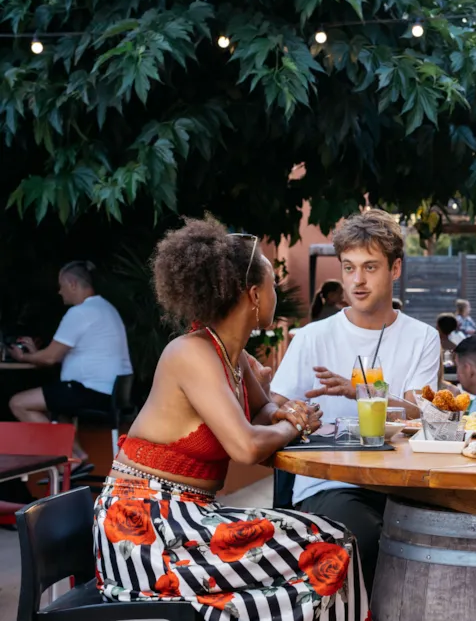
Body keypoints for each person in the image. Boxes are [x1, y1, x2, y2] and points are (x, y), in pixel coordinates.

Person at [94, 217, 367, 620]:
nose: (277, 293)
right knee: (330, 544)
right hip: (146, 529)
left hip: (187, 518)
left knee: (329, 543)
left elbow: (262, 410)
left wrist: (284, 412)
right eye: (274, 284)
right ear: (255, 295)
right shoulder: (191, 353)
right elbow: (246, 446)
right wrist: (295, 423)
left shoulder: (229, 356)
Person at [270, 209, 439, 595]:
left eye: (370, 267)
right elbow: (274, 405)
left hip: (406, 482)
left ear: (395, 269)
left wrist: (359, 390)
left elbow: (419, 411)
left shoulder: (422, 337)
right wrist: (292, 413)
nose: (357, 281)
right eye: (348, 268)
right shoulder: (313, 337)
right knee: (364, 538)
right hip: (330, 483)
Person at [8, 260, 132, 467]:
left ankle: (70, 456)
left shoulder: (81, 312)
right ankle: (78, 458)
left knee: (18, 403)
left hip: (90, 392)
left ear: (72, 283)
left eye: (61, 285)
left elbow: (49, 358)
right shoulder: (106, 308)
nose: (59, 291)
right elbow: (54, 354)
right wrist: (36, 354)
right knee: (58, 405)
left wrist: (23, 357)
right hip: (111, 393)